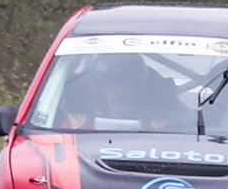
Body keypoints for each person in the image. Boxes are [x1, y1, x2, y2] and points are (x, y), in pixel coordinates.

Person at [57, 53, 188, 131]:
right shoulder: (75, 126)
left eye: (128, 84)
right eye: (113, 85)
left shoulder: (163, 126)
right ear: (98, 89)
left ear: (140, 87)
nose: (121, 91)